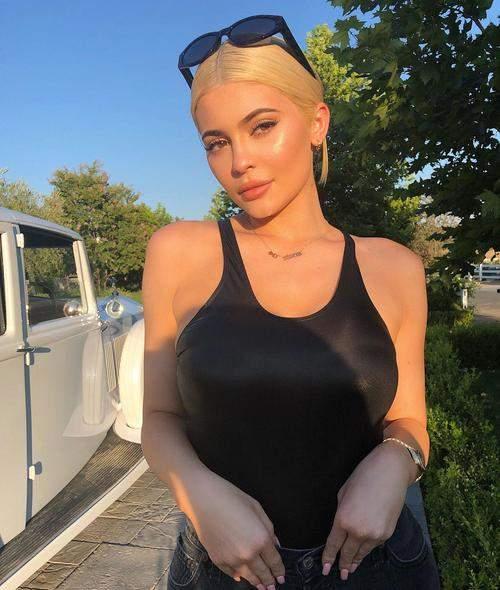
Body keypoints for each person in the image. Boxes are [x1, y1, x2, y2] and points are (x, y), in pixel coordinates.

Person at [141, 14, 441, 590]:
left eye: (262, 126)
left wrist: (395, 462)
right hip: (225, 569)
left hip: (377, 567)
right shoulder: (179, 252)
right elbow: (159, 418)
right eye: (217, 142)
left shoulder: (395, 268)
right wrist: (198, 495)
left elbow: (410, 422)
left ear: (316, 122)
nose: (239, 162)